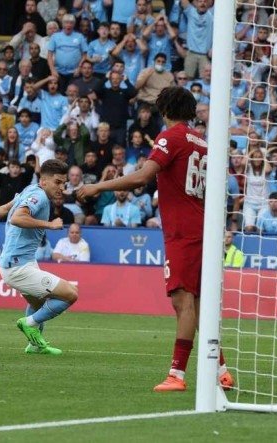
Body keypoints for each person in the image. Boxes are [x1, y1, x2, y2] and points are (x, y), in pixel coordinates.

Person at [78, 86, 234, 392]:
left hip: (183, 232)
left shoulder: (170, 137)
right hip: (205, 228)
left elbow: (142, 177)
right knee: (199, 304)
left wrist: (98, 187)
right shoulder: (203, 142)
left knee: (182, 300)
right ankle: (222, 371)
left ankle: (177, 375)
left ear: (164, 110)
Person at [0, 159, 78, 356]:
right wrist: (50, 225)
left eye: (64, 183)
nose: (61, 187)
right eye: (57, 182)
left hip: (19, 262)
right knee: (71, 294)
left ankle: (35, 345)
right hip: (17, 266)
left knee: (37, 304)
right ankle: (29, 323)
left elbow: (7, 208)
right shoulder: (39, 197)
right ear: (44, 181)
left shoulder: (30, 189)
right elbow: (16, 217)